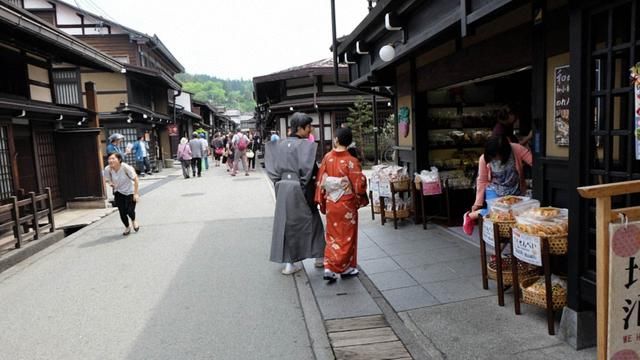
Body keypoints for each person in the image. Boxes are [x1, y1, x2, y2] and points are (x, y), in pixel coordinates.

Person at [265, 112, 325, 275]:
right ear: (300, 128)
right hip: (300, 186)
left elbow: (272, 168)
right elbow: (311, 171)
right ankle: (320, 257)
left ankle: (289, 264)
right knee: (312, 220)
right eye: (308, 127)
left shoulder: (279, 145)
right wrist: (310, 191)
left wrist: (279, 184)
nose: (310, 131)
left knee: (286, 225)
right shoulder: (305, 146)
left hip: (283, 187)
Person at [315, 127, 368, 283]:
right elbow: (359, 185)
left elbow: (321, 182)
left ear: (336, 140)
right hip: (347, 204)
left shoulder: (327, 158)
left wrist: (324, 200)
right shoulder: (352, 161)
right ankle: (344, 267)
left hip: (332, 202)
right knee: (347, 237)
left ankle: (329, 267)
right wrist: (360, 183)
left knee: (332, 235)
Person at [463, 135, 533, 235]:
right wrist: (477, 203)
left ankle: (512, 239)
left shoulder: (516, 149)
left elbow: (534, 162)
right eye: (493, 155)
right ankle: (470, 216)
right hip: (494, 189)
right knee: (495, 214)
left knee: (515, 216)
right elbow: (482, 181)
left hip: (515, 189)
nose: (496, 158)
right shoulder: (484, 159)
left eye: (498, 155)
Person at [103, 152, 140, 236]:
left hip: (130, 191)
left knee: (130, 210)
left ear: (119, 159)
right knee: (122, 212)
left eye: (113, 158)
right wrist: (111, 183)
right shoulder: (107, 169)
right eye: (109, 159)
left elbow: (136, 179)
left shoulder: (125, 167)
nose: (110, 160)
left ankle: (134, 220)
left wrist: (136, 193)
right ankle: (127, 227)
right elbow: (107, 179)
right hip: (118, 192)